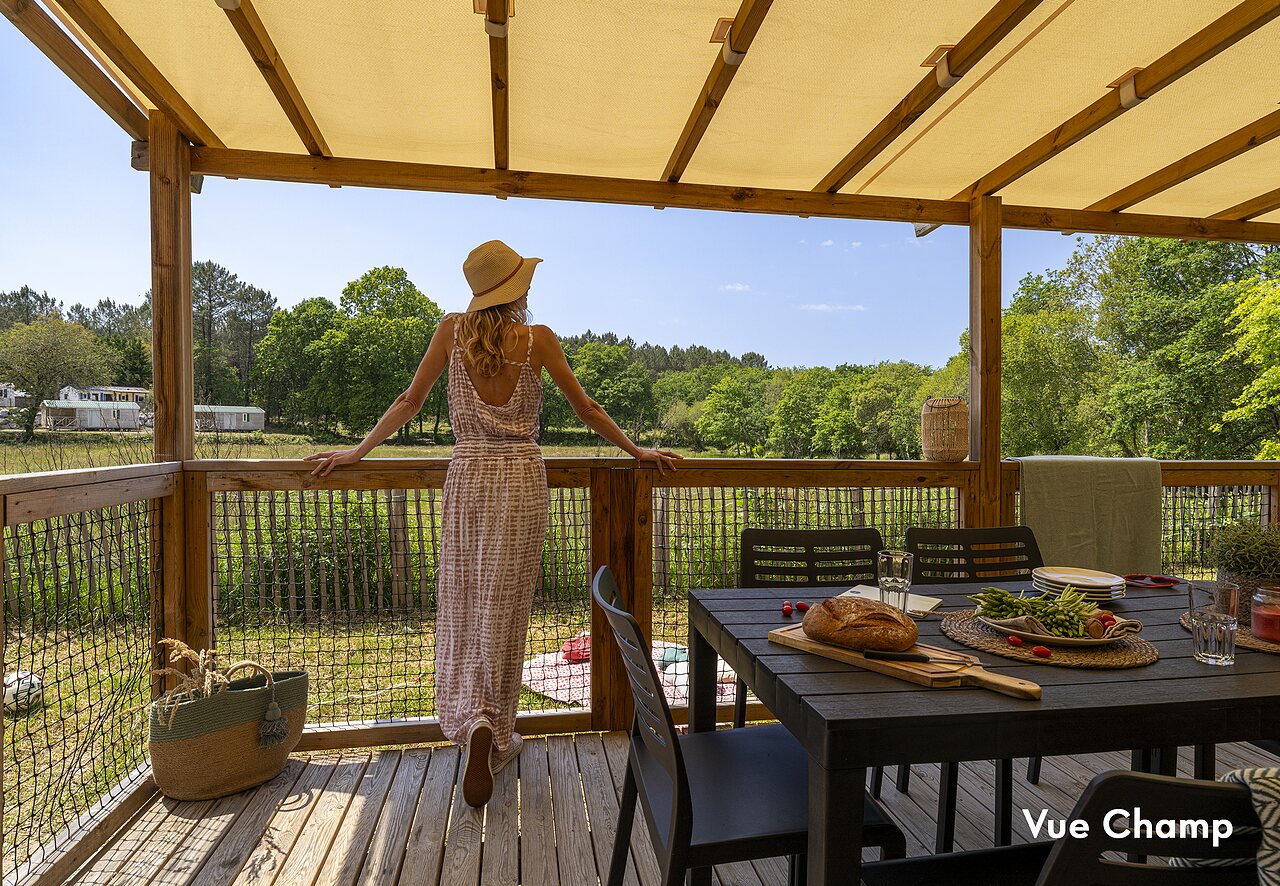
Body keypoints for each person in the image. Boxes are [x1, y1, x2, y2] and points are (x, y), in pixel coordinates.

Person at [306, 240, 679, 806]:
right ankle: (497, 731)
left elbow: (410, 400)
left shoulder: (452, 331)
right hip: (522, 484)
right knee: (506, 610)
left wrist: (357, 451)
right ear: (517, 289)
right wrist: (636, 451)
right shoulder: (538, 341)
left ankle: (472, 719)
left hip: (469, 480)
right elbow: (587, 410)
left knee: (465, 602)